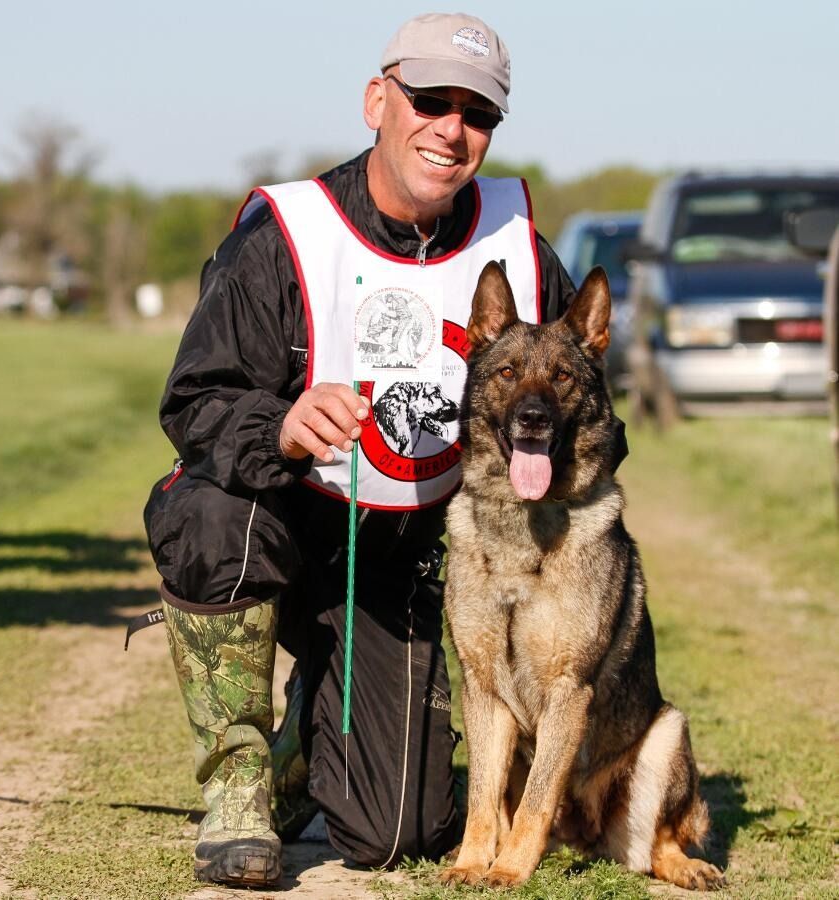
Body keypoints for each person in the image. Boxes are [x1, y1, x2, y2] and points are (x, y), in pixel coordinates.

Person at [144, 12, 596, 888]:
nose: (452, 129)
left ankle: (309, 736)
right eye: (430, 101)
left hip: (402, 566)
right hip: (282, 529)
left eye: (477, 113)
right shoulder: (286, 234)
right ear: (377, 101)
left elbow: (588, 405)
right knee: (208, 509)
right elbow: (195, 401)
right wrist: (281, 426)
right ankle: (237, 783)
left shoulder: (521, 250)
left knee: (397, 832)